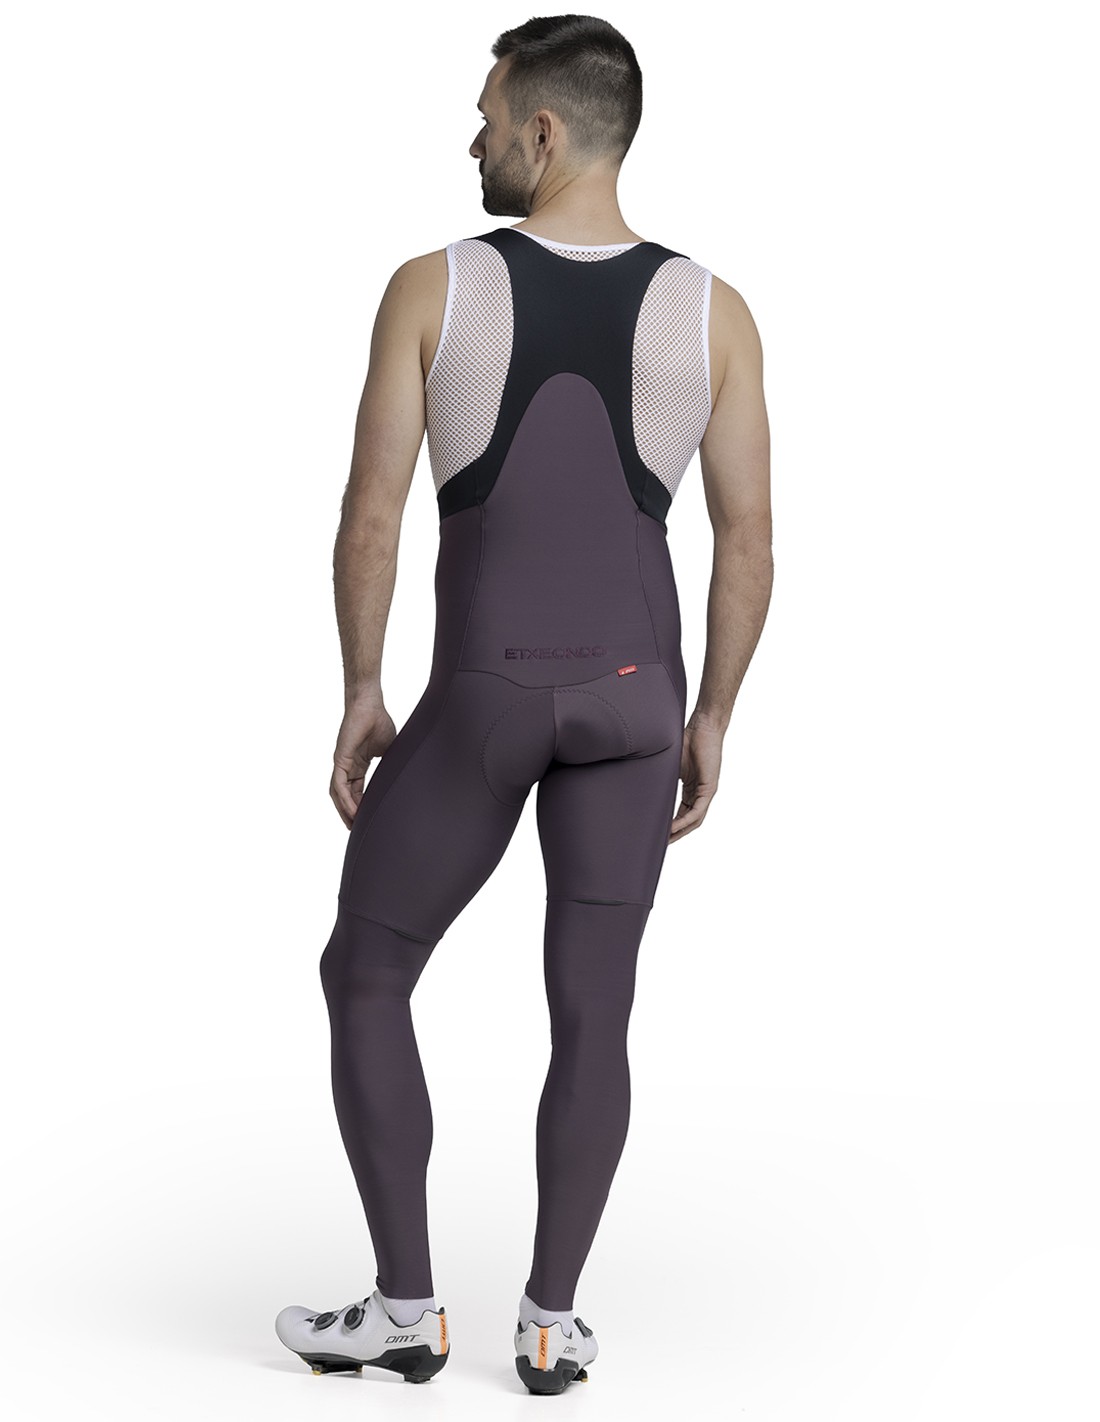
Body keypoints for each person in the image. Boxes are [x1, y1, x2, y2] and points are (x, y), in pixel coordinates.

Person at [275, 13, 772, 1394]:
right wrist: (713, 716)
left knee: (366, 971)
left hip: (484, 698)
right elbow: (749, 538)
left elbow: (371, 517)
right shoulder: (715, 312)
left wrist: (363, 689)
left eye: (488, 117)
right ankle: (550, 1325)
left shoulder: (431, 287)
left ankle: (406, 1309)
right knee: (594, 1012)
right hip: (636, 706)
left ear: (542, 133)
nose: (474, 141)